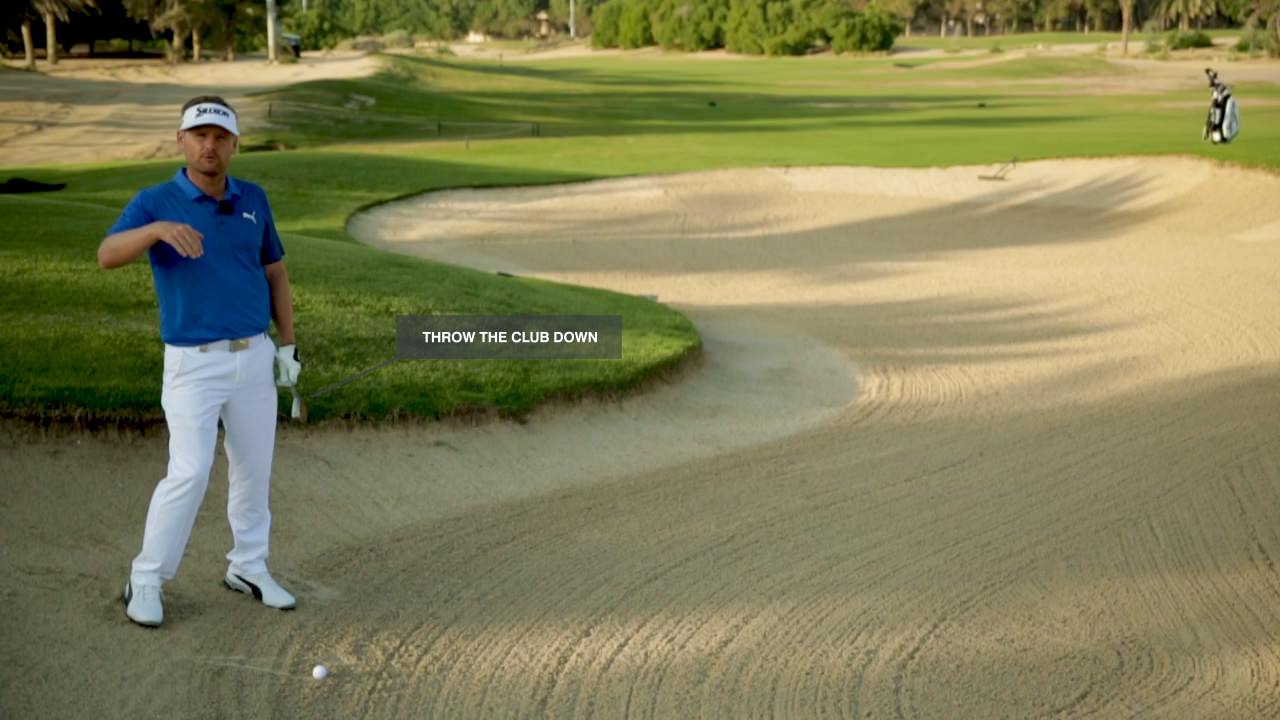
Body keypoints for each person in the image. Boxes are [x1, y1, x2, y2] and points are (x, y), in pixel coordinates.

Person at [98, 95, 302, 628]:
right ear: (182, 140)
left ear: (234, 144)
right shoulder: (156, 199)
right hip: (193, 363)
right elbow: (107, 254)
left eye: (220, 137)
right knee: (189, 472)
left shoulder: (253, 198)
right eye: (199, 135)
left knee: (254, 471)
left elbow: (275, 273)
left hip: (254, 357)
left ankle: (249, 567)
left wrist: (287, 348)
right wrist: (156, 231)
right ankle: (145, 578)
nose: (209, 145)